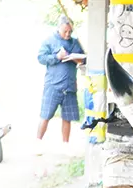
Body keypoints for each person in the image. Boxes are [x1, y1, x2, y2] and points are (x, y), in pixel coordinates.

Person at [36, 16, 85, 151]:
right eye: (65, 31)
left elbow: (83, 58)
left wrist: (76, 58)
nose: (68, 34)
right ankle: (38, 143)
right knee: (46, 115)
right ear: (59, 28)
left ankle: (65, 145)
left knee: (67, 118)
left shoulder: (75, 42)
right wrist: (57, 57)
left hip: (69, 86)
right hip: (53, 85)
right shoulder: (49, 41)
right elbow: (41, 58)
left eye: (70, 32)